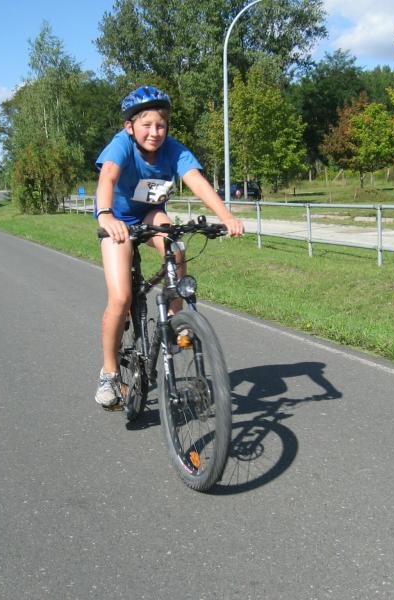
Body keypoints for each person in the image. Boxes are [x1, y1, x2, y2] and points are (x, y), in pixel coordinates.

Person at [93, 85, 244, 409]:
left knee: (176, 244)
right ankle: (109, 372)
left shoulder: (173, 150)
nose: (154, 132)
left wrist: (226, 216)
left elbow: (196, 180)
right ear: (130, 126)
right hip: (117, 220)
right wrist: (105, 215)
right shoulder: (121, 145)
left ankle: (175, 315)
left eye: (161, 125)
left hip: (150, 213)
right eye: (146, 125)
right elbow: (108, 177)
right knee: (120, 297)